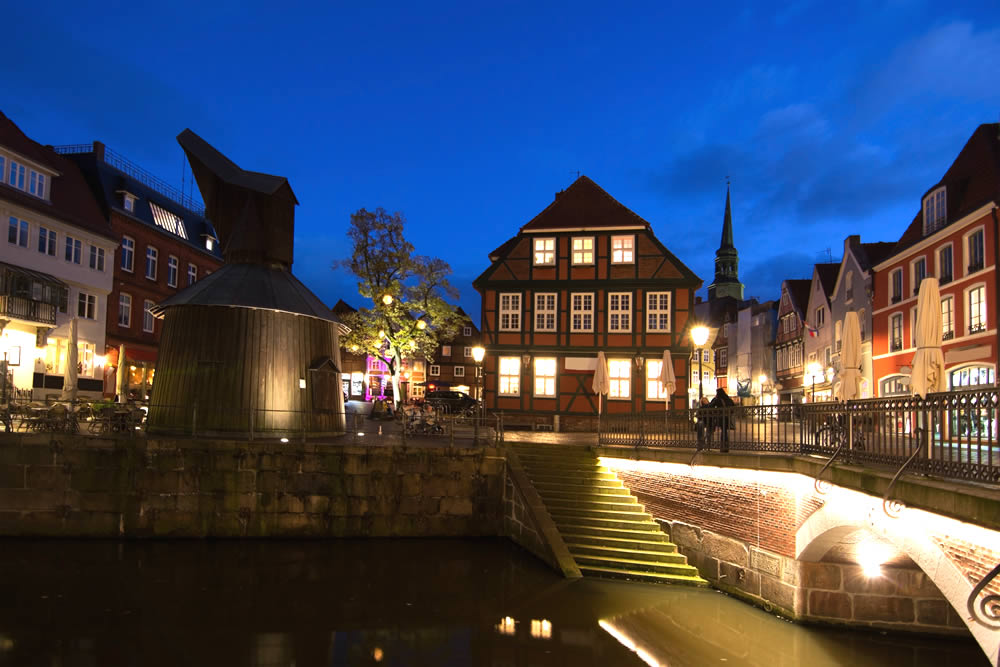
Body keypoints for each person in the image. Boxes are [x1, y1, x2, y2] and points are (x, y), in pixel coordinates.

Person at [708, 387, 735, 452]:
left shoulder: (718, 399)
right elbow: (733, 406)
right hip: (727, 417)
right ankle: (726, 446)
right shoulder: (728, 398)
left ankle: (723, 447)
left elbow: (710, 405)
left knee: (723, 431)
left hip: (721, 417)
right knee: (725, 431)